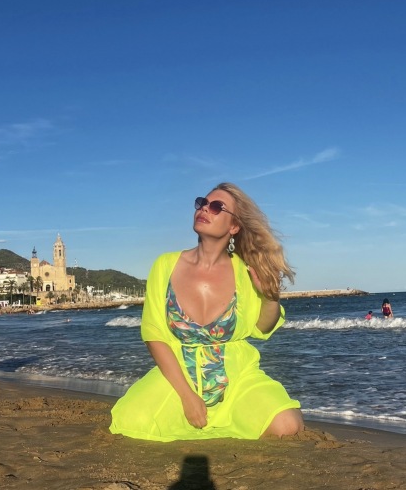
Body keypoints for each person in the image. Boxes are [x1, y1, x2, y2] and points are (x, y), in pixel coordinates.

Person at [110, 182, 303, 442]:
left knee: (287, 425)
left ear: (234, 226)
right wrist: (187, 397)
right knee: (133, 421)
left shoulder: (246, 271)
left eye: (216, 207)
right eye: (202, 203)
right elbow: (154, 335)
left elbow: (262, 328)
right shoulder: (165, 265)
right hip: (178, 377)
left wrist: (270, 297)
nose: (204, 209)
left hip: (237, 376)